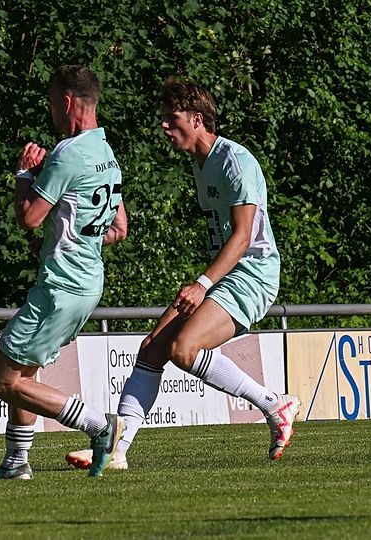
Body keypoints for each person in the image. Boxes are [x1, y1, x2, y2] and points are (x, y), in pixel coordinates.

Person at [67, 79, 299, 471]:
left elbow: (243, 237)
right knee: (151, 349)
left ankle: (273, 404)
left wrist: (203, 284)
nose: (164, 125)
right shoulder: (200, 164)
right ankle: (116, 451)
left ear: (196, 119)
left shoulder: (235, 161)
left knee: (183, 349)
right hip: (226, 276)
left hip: (253, 276)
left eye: (171, 118)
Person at [0, 64, 129, 480]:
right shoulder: (106, 153)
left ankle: (99, 426)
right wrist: (65, 240)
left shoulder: (68, 153)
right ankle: (16, 463)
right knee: (25, 372)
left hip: (62, 286)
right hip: (88, 282)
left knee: (3, 380)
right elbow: (118, 229)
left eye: (51, 103)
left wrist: (24, 174)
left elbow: (29, 218)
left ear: (66, 102)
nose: (51, 112)